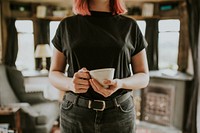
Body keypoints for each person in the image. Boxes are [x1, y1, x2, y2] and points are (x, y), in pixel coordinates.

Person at [49, 0, 149, 132]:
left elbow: (143, 76)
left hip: (119, 114)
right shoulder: (67, 25)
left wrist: (120, 83)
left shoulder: (130, 26)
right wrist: (70, 84)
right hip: (75, 114)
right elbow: (54, 72)